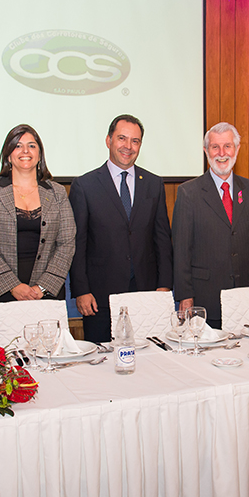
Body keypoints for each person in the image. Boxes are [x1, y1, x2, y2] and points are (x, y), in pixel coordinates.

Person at [69, 114, 173, 343]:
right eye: (122, 138)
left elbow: (162, 238)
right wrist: (81, 290)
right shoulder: (84, 186)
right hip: (99, 297)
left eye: (135, 141)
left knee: (151, 361)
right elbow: (77, 243)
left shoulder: (154, 184)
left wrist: (164, 285)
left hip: (146, 292)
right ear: (108, 140)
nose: (128, 146)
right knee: (101, 366)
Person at [0, 124, 75, 335]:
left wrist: (43, 286)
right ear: (8, 155)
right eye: (18, 146)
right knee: (4, 359)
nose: (25, 151)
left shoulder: (57, 192)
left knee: (49, 355)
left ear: (39, 154)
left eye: (31, 146)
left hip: (46, 292)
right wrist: (13, 285)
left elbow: (67, 243)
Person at [171, 122, 249, 328]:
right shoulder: (188, 193)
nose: (221, 153)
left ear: (237, 149)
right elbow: (181, 250)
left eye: (227, 146)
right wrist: (185, 295)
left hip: (247, 296)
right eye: (215, 147)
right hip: (205, 299)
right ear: (206, 150)